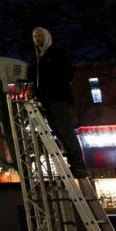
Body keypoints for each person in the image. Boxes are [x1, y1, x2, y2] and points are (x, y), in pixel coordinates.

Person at [30, 27, 88, 178]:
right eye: (35, 36)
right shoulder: (37, 58)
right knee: (58, 130)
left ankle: (78, 165)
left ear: (47, 36)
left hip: (59, 99)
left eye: (40, 35)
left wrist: (52, 85)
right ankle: (73, 162)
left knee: (66, 131)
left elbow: (67, 74)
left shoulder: (55, 54)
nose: (37, 39)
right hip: (47, 101)